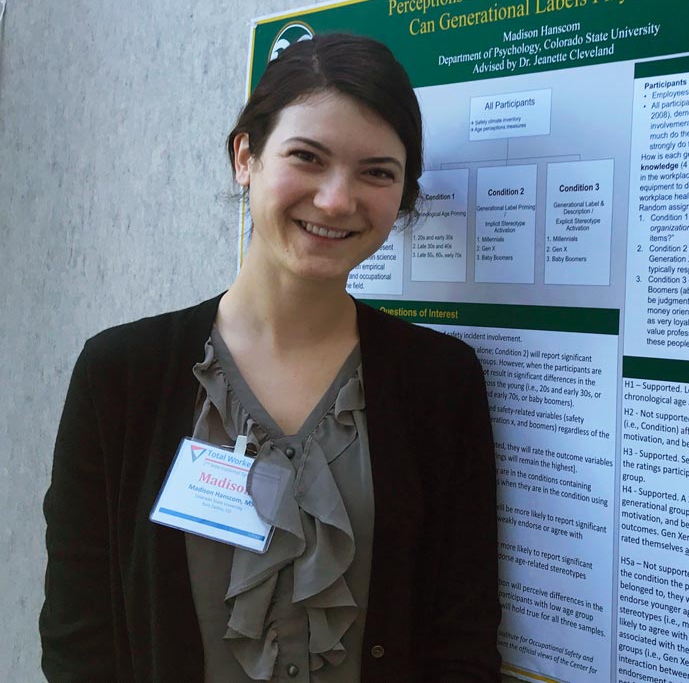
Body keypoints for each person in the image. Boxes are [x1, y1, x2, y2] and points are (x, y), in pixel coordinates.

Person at [40, 33, 501, 682]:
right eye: (307, 157)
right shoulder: (121, 374)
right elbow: (79, 639)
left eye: (377, 171)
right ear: (245, 157)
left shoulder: (439, 382)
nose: (338, 198)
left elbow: (464, 636)